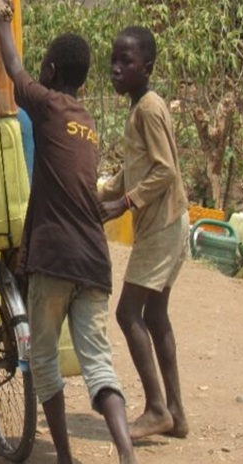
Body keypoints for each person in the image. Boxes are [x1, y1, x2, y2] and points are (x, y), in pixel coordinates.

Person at [0, 8, 136, 464]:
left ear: (49, 72)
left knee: (46, 364)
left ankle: (66, 460)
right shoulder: (86, 122)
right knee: (99, 365)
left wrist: (1, 21)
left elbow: (14, 71)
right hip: (94, 262)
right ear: (85, 83)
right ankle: (128, 455)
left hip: (53, 259)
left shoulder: (48, 105)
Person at [98, 25, 190, 441]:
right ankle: (176, 412)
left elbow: (165, 170)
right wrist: (102, 189)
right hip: (168, 223)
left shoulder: (149, 108)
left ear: (147, 67)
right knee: (154, 314)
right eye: (114, 60)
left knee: (127, 313)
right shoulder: (140, 107)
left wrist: (125, 202)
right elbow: (136, 167)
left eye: (126, 62)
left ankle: (155, 408)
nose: (116, 69)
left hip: (162, 225)